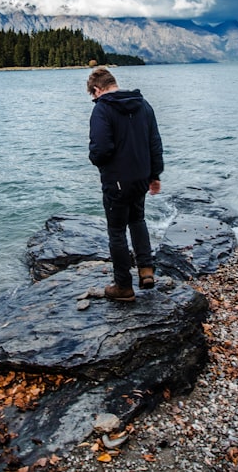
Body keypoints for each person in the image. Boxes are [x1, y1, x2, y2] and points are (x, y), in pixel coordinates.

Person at [87, 67, 163, 302]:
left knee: (117, 231)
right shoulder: (143, 104)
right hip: (141, 177)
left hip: (116, 180)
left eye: (92, 95)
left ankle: (123, 286)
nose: (93, 99)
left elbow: (101, 149)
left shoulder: (103, 109)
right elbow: (154, 142)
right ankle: (146, 270)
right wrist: (155, 175)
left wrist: (95, 159)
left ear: (97, 90)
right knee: (138, 220)